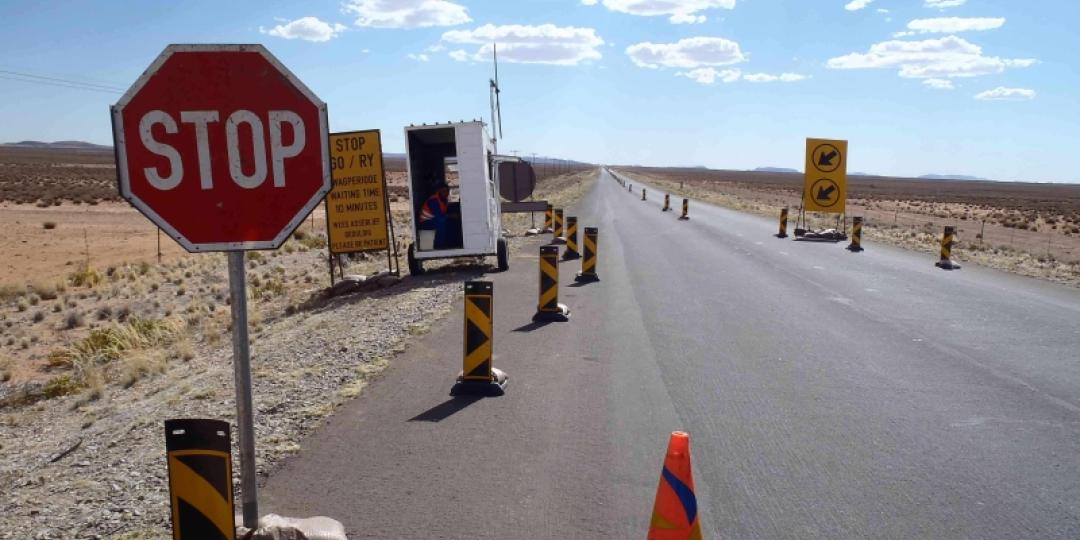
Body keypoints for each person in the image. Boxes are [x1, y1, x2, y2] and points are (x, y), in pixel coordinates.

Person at [418, 181, 450, 248]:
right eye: (444, 191)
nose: (446, 193)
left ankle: (447, 243)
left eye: (447, 191)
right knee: (441, 223)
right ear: (439, 191)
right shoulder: (434, 200)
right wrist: (451, 216)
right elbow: (439, 216)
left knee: (448, 222)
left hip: (431, 221)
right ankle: (440, 246)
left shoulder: (444, 200)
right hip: (425, 223)